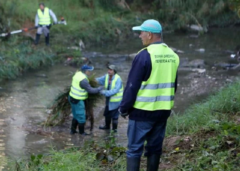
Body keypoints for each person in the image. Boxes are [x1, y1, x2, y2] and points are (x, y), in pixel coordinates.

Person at [118, 19, 179, 171]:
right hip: (163, 112)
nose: (140, 36)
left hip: (142, 112)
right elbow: (173, 85)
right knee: (154, 149)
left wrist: (124, 108)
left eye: (142, 32)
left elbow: (132, 86)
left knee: (134, 150)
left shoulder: (144, 56)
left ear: (150, 35)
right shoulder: (173, 55)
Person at [69, 65, 104, 135]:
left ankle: (72, 131)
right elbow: (91, 90)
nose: (90, 73)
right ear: (86, 71)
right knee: (82, 117)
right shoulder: (83, 80)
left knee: (76, 115)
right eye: (89, 71)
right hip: (78, 100)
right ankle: (82, 133)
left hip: (71, 97)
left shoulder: (77, 74)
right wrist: (99, 89)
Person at [96, 65, 123, 132]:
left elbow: (115, 90)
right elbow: (99, 80)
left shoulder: (118, 79)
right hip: (109, 99)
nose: (109, 71)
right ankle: (107, 126)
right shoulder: (107, 76)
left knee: (114, 116)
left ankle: (114, 130)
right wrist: (89, 80)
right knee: (107, 113)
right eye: (108, 69)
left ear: (114, 71)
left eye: (111, 70)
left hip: (116, 101)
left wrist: (104, 92)